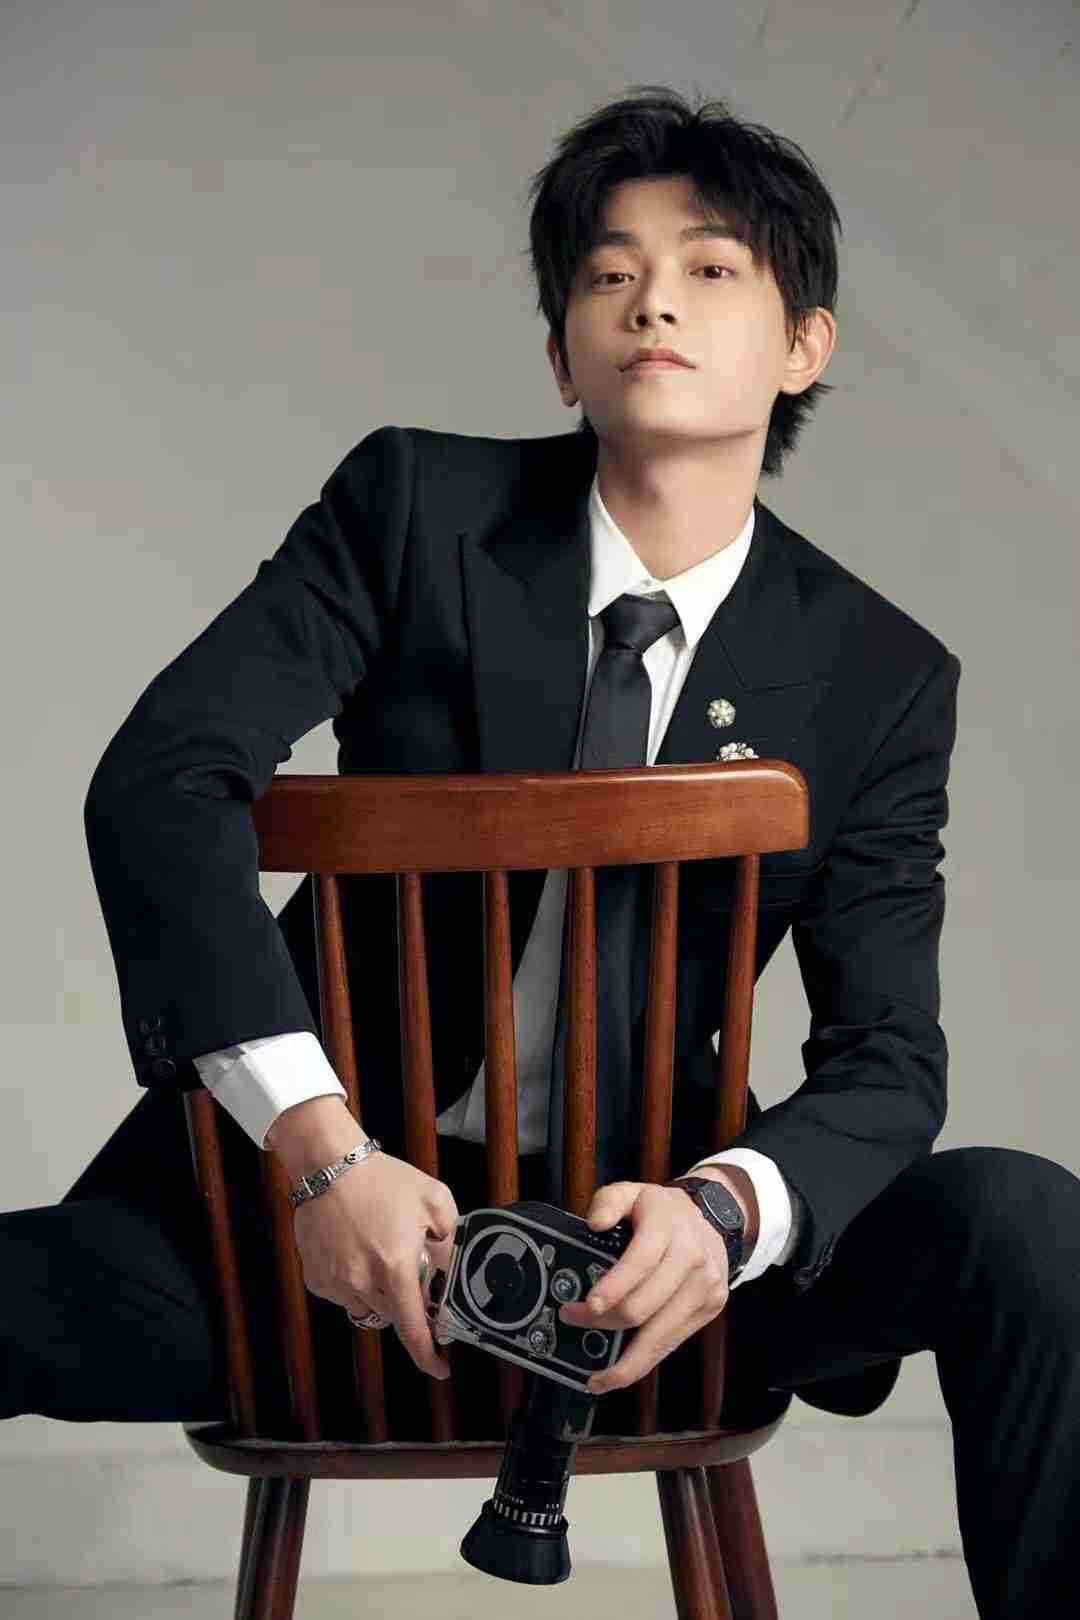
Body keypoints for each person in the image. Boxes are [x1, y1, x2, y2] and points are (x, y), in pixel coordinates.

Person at [4, 85, 1078, 1618]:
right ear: (564, 354)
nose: (653, 300)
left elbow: (891, 1059)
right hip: (317, 1262)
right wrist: (320, 1154)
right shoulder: (412, 509)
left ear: (804, 346)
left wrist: (724, 1215)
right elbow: (163, 780)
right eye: (608, 272)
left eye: (711, 269)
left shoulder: (880, 675)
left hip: (665, 1291)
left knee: (1024, 1223)